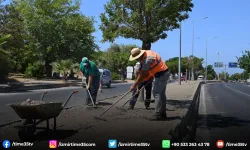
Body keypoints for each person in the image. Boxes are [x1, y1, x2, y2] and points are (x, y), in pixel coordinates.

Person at [129, 48, 170, 120]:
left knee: (156, 93)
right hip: (163, 73)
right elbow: (151, 68)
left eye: (136, 58)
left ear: (139, 56)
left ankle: (158, 114)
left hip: (161, 74)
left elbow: (142, 74)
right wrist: (151, 76)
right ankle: (162, 114)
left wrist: (134, 86)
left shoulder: (147, 59)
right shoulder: (147, 53)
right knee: (161, 94)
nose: (136, 60)